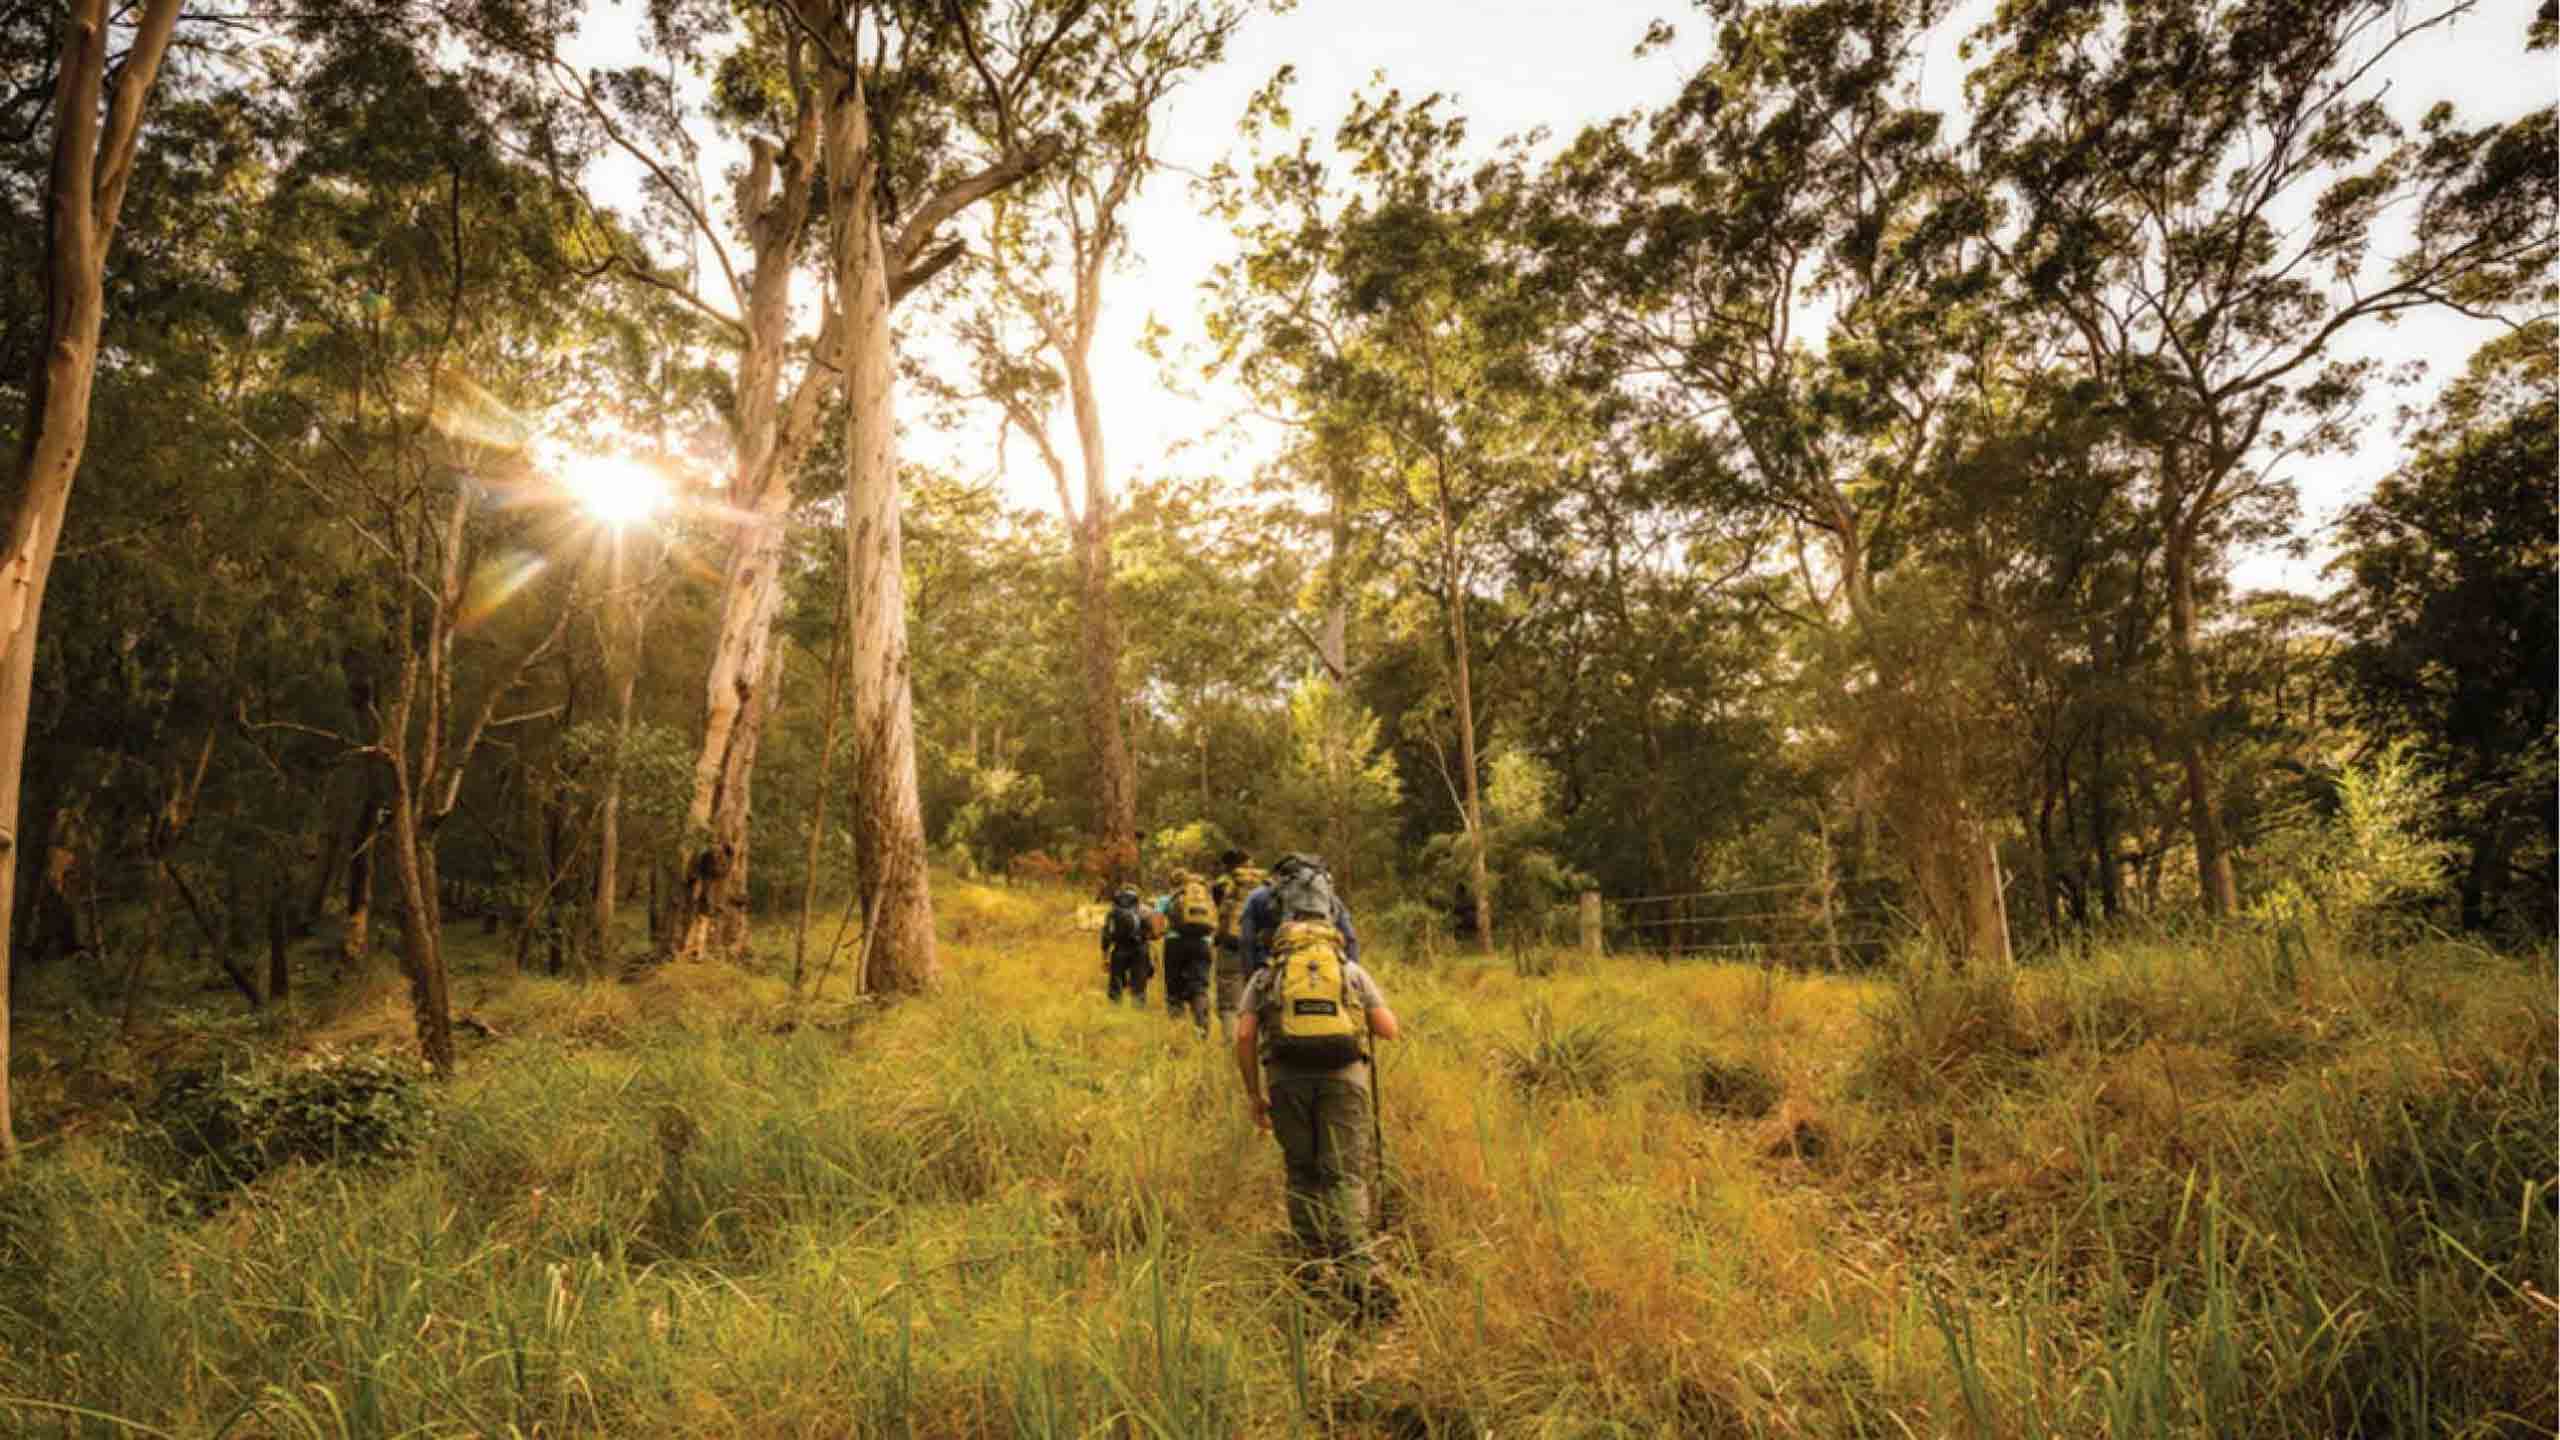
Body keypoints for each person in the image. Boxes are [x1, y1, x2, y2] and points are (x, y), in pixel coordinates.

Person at [1232, 853, 1401, 1319]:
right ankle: (1358, 1273)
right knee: (1344, 1174)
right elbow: (1388, 1029)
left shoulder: (1267, 976)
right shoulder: (1348, 971)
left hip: (1285, 1077)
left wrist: (1253, 1094)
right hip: (1345, 1079)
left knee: (1302, 1172)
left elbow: (1244, 1035)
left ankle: (1311, 1270)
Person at [1238, 852, 1359, 979]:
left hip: (1276, 968)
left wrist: (1250, 976)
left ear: (1279, 876)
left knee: (1247, 997)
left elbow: (1246, 941)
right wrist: (1349, 973)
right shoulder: (1330, 898)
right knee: (1371, 996)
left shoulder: (1258, 896)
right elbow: (1350, 938)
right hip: (1327, 969)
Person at [1209, 849, 1263, 1038]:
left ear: (1228, 867)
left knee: (1229, 1003)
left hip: (1231, 945)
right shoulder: (1265, 885)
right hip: (1259, 947)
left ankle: (1231, 1046)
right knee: (1259, 999)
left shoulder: (1221, 886)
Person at [1159, 868, 1217, 1036]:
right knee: (1199, 987)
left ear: (1172, 883)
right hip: (1202, 944)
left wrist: (1158, 932)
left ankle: (1177, 1031)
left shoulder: (1167, 898)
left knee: (1174, 989)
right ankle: (1202, 1030)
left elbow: (1156, 925)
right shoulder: (1206, 899)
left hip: (1174, 944)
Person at [1100, 885, 1153, 1004]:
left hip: (1120, 948)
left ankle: (1114, 1005)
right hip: (1140, 948)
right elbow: (1152, 931)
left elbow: (1106, 934)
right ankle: (1138, 1006)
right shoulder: (1144, 909)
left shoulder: (1113, 911)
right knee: (1139, 981)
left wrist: (1105, 956)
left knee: (1116, 980)